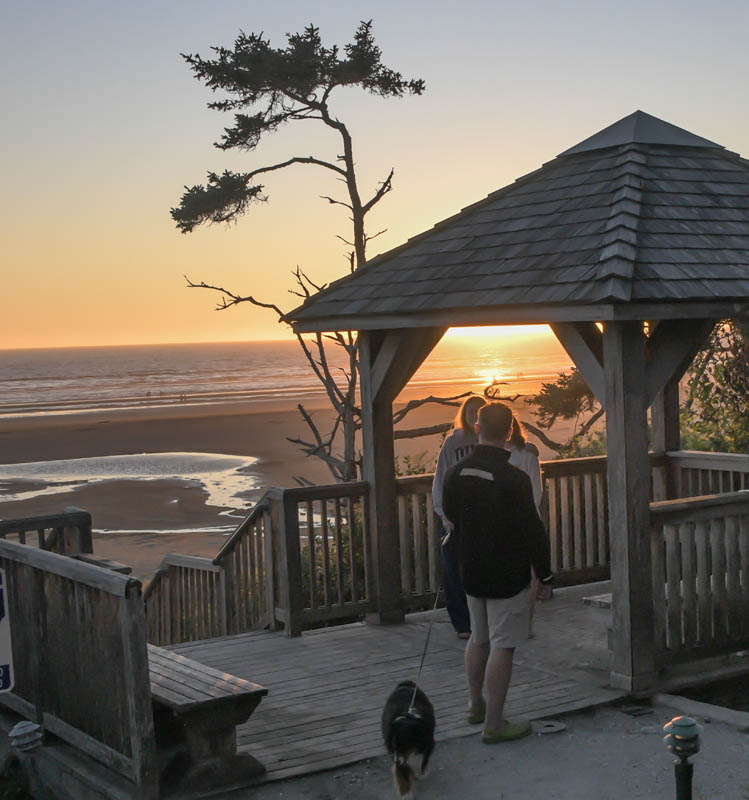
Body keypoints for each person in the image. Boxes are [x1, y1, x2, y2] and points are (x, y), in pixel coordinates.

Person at [443, 402, 553, 743]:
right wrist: (545, 576)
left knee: (479, 637)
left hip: (471, 572)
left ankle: (475, 705)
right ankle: (494, 723)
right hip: (507, 575)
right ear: (509, 432)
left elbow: (451, 515)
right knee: (503, 645)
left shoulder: (456, 473)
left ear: (478, 427)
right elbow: (534, 531)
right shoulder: (514, 479)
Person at [432, 394, 486, 638]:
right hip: (455, 518)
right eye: (470, 412)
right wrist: (444, 515)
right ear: (463, 415)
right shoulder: (453, 443)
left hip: (482, 517)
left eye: (479, 412)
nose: (474, 416)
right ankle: (462, 623)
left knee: (480, 568)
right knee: (453, 570)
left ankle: (481, 620)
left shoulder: (488, 443)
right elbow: (440, 480)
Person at [507, 415, 543, 635]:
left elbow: (535, 492)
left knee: (527, 576)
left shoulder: (526, 453)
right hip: (513, 522)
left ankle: (524, 624)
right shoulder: (526, 453)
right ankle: (518, 624)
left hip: (522, 522)